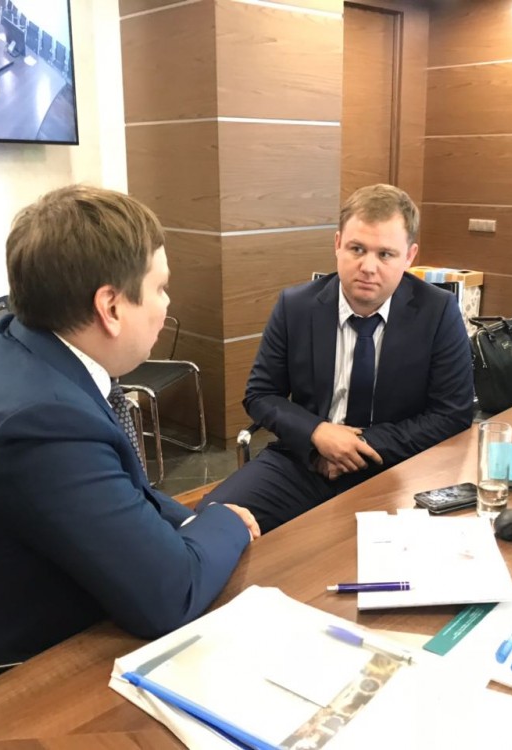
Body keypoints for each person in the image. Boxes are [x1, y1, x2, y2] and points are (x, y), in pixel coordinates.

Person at [0, 185, 259, 674]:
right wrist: (225, 520)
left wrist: (190, 523)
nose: (166, 304)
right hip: (28, 667)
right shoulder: (42, 422)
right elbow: (169, 595)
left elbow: (124, 488)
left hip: (44, 581)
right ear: (110, 307)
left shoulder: (21, 341)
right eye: (160, 288)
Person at [199, 184, 473, 533]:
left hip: (398, 463)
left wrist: (356, 447)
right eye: (357, 249)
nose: (368, 267)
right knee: (211, 522)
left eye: (385, 254)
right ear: (338, 244)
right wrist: (318, 435)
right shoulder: (295, 306)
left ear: (409, 256)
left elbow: (452, 413)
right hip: (305, 459)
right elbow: (260, 394)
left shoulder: (438, 311)